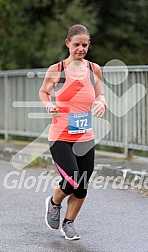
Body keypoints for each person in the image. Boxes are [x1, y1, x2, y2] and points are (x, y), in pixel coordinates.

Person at [39, 24, 107, 240]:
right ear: (67, 43)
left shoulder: (93, 69)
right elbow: (43, 91)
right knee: (72, 179)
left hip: (85, 136)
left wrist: (101, 103)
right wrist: (48, 104)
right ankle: (54, 202)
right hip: (60, 136)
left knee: (82, 186)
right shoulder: (57, 69)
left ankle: (68, 224)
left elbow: (100, 94)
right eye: (76, 44)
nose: (81, 48)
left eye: (84, 45)